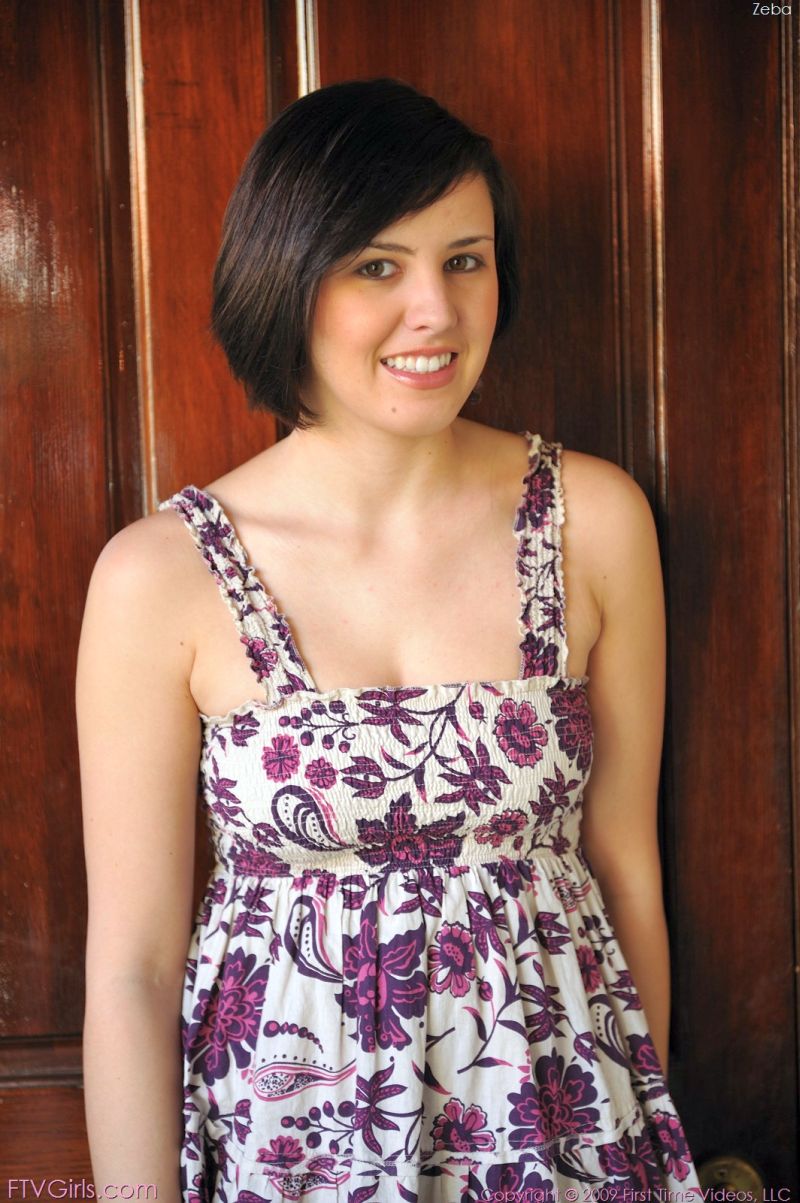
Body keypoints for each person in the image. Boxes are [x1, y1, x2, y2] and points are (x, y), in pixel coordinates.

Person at [77, 77, 701, 1203]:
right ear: (285, 278)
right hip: (292, 1151)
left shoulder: (593, 520)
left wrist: (630, 1153)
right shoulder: (158, 576)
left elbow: (624, 874)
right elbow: (133, 968)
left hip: (555, 1144)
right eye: (376, 266)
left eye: (464, 260)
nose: (435, 310)